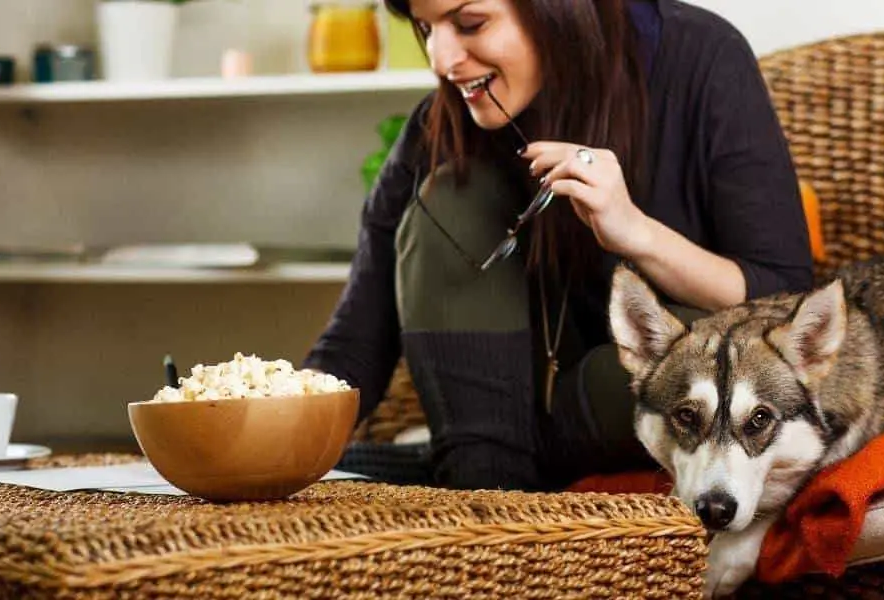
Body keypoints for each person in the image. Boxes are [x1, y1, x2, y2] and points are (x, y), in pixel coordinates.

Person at [303, 0, 814, 492]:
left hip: (646, 397)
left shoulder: (700, 55)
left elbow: (782, 301)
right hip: (500, 417)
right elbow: (356, 344)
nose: (441, 59)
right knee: (452, 194)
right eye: (427, 29)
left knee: (671, 374)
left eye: (470, 23)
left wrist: (635, 231)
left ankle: (469, 470)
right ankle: (484, 494)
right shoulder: (440, 126)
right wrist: (260, 417)